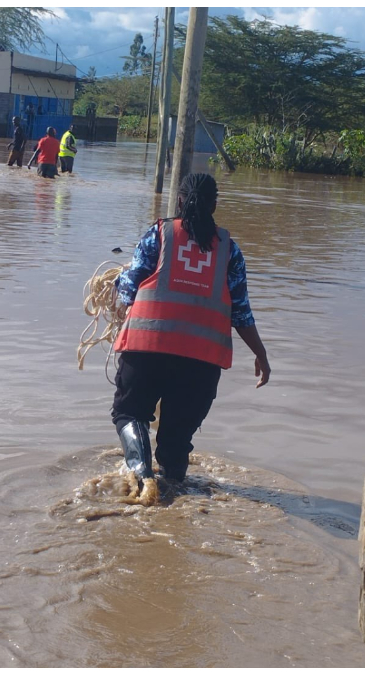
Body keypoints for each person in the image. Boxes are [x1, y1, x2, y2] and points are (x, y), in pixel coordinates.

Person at [111, 173, 271, 484]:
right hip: (201, 362)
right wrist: (261, 355)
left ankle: (143, 479)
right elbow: (241, 312)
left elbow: (128, 289)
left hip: (146, 350)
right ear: (215, 205)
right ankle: (172, 495)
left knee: (130, 414)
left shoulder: (158, 235)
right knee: (176, 442)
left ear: (180, 200)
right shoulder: (230, 251)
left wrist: (118, 283)